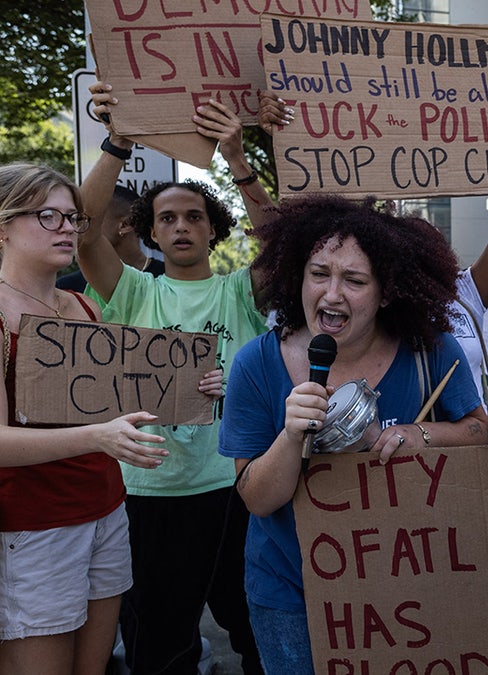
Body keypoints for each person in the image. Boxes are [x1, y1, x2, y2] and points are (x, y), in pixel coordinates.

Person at [219, 194, 488, 675]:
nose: (332, 294)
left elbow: (477, 432)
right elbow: (257, 500)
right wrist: (290, 435)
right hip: (290, 595)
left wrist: (416, 435)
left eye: (355, 281)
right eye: (318, 273)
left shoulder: (432, 350)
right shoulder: (255, 364)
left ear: (386, 293)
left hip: (408, 586)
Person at [81, 85, 270, 674]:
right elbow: (83, 233)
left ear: (213, 229)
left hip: (233, 489)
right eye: (168, 219)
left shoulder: (239, 291)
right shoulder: (134, 289)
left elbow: (287, 246)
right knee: (160, 645)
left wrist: (237, 159)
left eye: (194, 216)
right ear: (151, 232)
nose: (181, 226)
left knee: (256, 630)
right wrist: (118, 142)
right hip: (147, 494)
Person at [257, 94, 488, 398]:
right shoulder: (368, 305)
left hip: (468, 441)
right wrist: (289, 135)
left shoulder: (466, 294)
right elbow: (294, 231)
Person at [0, 163, 169, 675]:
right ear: (2, 226)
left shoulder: (82, 306)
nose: (68, 229)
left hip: (105, 513)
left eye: (73, 218)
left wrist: (187, 390)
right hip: (33, 527)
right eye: (48, 216)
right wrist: (98, 436)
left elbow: (110, 405)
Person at [56, 185, 163, 293]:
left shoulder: (168, 279)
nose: (77, 227)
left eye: (87, 219)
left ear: (125, 225)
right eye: (76, 219)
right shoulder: (67, 287)